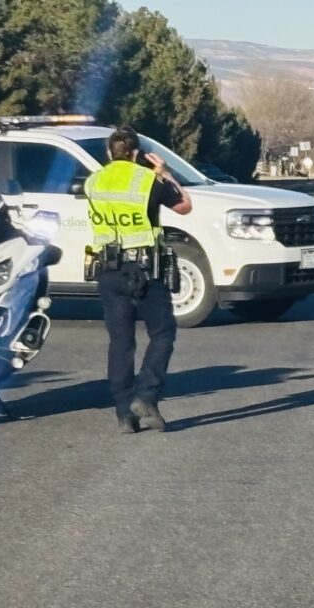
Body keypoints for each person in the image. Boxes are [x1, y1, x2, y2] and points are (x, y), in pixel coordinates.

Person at [85, 126, 192, 433]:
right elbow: (185, 206)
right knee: (162, 333)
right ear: (136, 153)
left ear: (109, 152)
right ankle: (146, 395)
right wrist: (165, 173)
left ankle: (123, 414)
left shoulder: (93, 181)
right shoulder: (147, 180)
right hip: (145, 270)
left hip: (109, 270)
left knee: (121, 342)